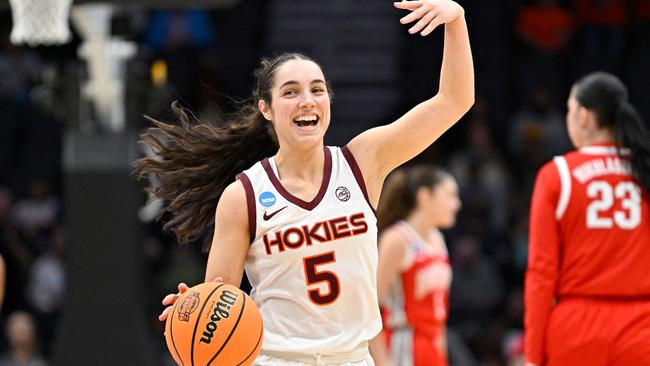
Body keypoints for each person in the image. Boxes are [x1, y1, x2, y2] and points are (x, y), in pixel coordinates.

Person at [136, 0, 474, 364]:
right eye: (291, 92)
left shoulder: (362, 161)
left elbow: (453, 101)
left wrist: (456, 20)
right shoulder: (244, 196)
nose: (307, 101)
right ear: (266, 108)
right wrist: (195, 311)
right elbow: (221, 301)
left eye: (317, 89)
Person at [524, 72, 650, 366]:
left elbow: (541, 273)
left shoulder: (558, 174)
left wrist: (532, 353)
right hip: (642, 325)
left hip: (576, 326)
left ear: (582, 116)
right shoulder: (645, 171)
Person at [369, 166, 461, 366]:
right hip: (402, 347)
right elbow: (371, 307)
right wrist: (381, 362)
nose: (457, 204)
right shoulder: (397, 239)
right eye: (450, 195)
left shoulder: (438, 239)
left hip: (433, 345)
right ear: (425, 196)